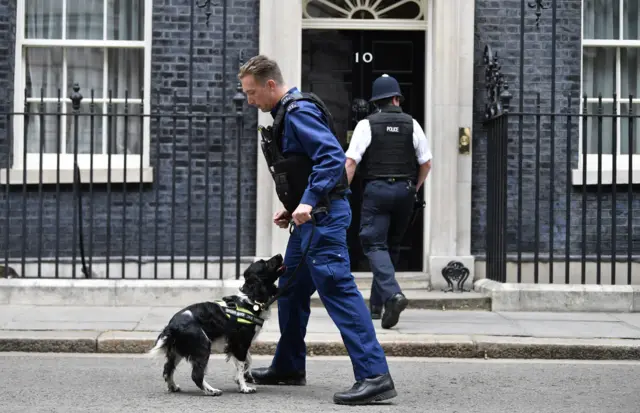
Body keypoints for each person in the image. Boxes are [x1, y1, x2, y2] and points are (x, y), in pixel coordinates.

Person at [237, 55, 397, 405]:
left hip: (323, 219)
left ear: (270, 85)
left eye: (251, 93)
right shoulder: (286, 114)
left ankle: (375, 375)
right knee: (291, 291)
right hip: (309, 219)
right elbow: (303, 166)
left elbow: (330, 156)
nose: (249, 101)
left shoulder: (297, 112)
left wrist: (308, 201)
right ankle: (289, 365)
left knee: (339, 291)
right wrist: (295, 206)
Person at [344, 74, 432, 329]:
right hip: (405, 191)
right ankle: (376, 306)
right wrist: (414, 188)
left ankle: (393, 295)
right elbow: (426, 163)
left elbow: (351, 162)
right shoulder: (412, 124)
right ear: (396, 98)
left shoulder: (366, 124)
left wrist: (340, 192)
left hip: (377, 190)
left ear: (376, 101)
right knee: (389, 246)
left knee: (373, 244)